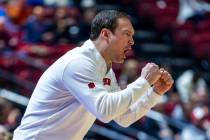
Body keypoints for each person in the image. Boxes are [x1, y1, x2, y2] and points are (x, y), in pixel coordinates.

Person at [13, 10, 174, 140]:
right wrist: (144, 81)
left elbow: (123, 117)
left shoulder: (103, 68)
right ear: (105, 34)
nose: (132, 41)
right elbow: (105, 111)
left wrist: (154, 93)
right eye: (127, 34)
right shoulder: (78, 63)